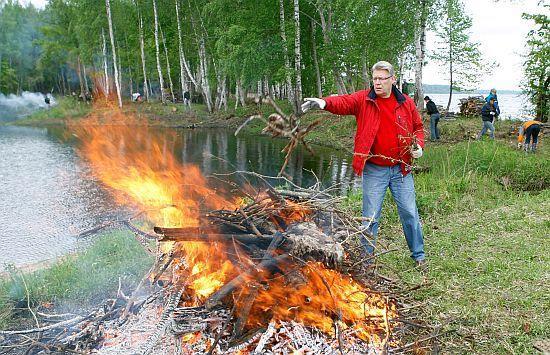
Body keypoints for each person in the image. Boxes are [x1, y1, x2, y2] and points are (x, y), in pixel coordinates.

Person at [301, 61, 426, 269]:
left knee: (410, 213)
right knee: (369, 218)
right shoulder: (364, 99)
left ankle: (418, 255)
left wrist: (419, 146)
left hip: (401, 169)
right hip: (375, 169)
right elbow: (343, 102)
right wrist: (323, 103)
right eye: (375, 79)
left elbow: (418, 127)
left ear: (393, 80)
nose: (377, 83)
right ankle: (366, 261)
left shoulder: (406, 103)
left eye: (382, 79)